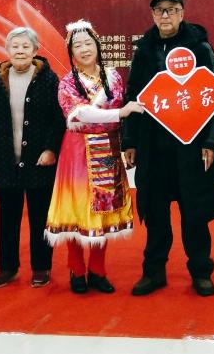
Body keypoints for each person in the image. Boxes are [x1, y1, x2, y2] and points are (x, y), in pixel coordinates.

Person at [123, 0, 214, 297]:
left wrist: (211, 142)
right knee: (155, 213)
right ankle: (153, 272)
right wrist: (130, 140)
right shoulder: (143, 49)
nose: (165, 15)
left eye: (171, 9)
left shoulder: (200, 47)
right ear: (153, 15)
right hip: (153, 147)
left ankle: (201, 271)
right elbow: (132, 95)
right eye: (160, 10)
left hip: (191, 147)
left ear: (182, 12)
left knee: (194, 212)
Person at [44, 21, 142, 294]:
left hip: (107, 148)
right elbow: (79, 114)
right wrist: (119, 113)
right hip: (78, 151)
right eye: (77, 45)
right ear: (71, 52)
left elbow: (120, 112)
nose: (84, 49)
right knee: (77, 208)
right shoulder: (67, 82)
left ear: (98, 46)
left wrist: (126, 143)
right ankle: (76, 269)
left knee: (105, 206)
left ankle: (98, 270)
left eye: (88, 43)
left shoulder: (113, 76)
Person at [0, 26, 65, 289]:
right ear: (7, 50)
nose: (20, 51)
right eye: (15, 46)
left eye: (26, 46)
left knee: (39, 216)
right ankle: (7, 267)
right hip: (4, 161)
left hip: (39, 161)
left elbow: (58, 119)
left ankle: (41, 267)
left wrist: (50, 149)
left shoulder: (49, 79)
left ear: (35, 51)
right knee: (7, 217)